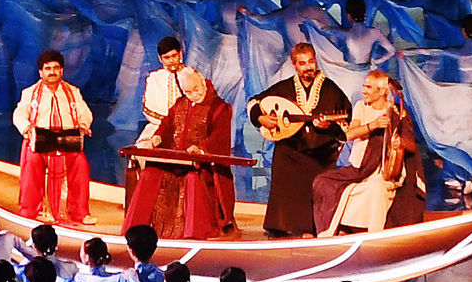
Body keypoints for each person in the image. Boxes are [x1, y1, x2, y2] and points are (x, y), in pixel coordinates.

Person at [248, 42, 351, 235]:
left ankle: (315, 226)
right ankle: (282, 227)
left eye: (311, 62)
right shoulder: (285, 87)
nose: (308, 67)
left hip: (320, 151)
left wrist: (329, 126)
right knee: (283, 155)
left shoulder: (330, 89)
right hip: (291, 148)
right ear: (295, 65)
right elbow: (254, 102)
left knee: (317, 177)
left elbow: (346, 118)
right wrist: (261, 118)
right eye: (302, 63)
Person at [123, 67, 234, 238]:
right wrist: (158, 137)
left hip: (201, 164)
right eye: (188, 92)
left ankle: (194, 231)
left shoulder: (219, 107)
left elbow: (219, 138)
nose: (193, 95)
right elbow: (167, 125)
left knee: (192, 178)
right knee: (150, 174)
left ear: (203, 83)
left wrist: (201, 149)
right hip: (175, 160)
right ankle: (136, 228)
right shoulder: (180, 103)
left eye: (196, 89)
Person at [312, 70, 424, 235]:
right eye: (364, 86)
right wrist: (373, 125)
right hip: (358, 168)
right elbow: (349, 134)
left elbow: (412, 146)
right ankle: (339, 227)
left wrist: (400, 142)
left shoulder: (397, 112)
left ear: (382, 91)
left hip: (380, 171)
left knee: (376, 186)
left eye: (368, 87)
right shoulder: (361, 107)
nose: (363, 91)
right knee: (322, 182)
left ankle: (373, 232)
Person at [12, 49, 95, 224]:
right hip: (40, 141)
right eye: (48, 68)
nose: (52, 72)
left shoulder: (73, 91)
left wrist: (83, 125)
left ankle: (80, 213)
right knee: (32, 162)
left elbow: (85, 114)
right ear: (40, 72)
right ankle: (30, 211)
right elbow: (18, 115)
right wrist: (28, 129)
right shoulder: (30, 92)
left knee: (80, 164)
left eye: (56, 68)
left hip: (66, 141)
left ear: (62, 70)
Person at [139, 35, 185, 145]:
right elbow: (148, 109)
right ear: (160, 59)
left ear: (180, 54)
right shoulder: (154, 78)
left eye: (174, 56)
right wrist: (167, 125)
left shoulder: (191, 75)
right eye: (167, 58)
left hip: (186, 128)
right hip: (157, 126)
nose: (171, 60)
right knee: (142, 149)